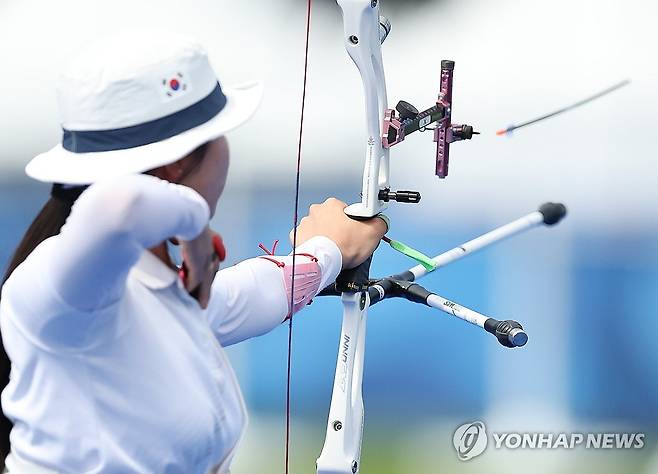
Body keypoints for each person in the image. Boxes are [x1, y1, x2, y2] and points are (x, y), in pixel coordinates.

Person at [0, 30, 386, 473]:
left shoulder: (150, 286)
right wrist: (196, 227)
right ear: (178, 165)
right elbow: (118, 205)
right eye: (219, 135)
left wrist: (329, 251)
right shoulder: (57, 287)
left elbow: (244, 295)